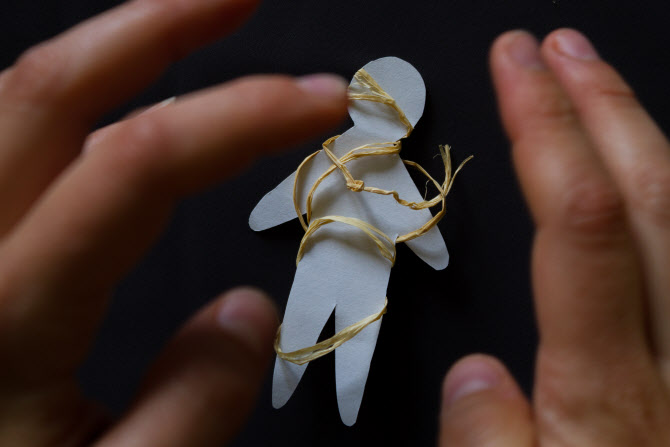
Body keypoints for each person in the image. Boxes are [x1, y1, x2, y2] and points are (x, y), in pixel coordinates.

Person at [1, 0, 668, 446]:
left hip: (365, 274)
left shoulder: (371, 166)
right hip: (323, 259)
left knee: (350, 346)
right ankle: (301, 390)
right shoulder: (336, 159)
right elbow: (283, 204)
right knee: (302, 333)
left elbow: (425, 244)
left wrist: (414, 231)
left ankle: (339, 406)